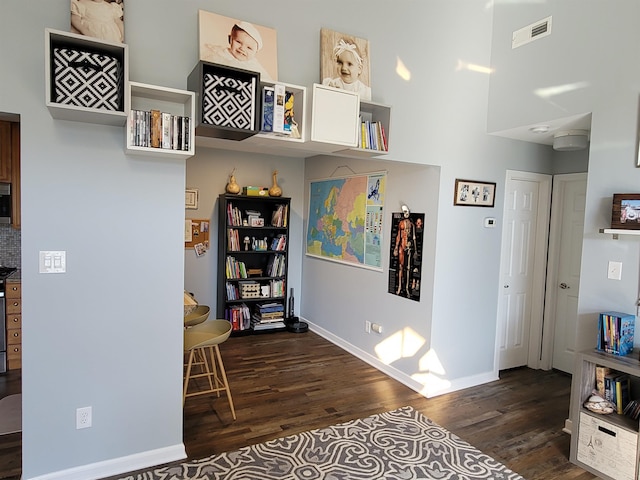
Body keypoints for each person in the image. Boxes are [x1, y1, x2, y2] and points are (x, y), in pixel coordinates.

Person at [202, 21, 273, 81]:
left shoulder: (254, 66)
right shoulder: (219, 54)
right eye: (238, 42)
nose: (242, 49)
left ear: (255, 52)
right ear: (230, 39)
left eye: (249, 48)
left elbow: (266, 81)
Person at [393, 208, 417, 297]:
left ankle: (406, 288)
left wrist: (415, 250)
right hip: (402, 246)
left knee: (408, 268)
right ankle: (399, 286)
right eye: (405, 212)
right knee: (400, 267)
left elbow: (414, 237)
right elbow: (398, 236)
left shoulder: (411, 224)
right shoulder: (401, 224)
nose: (406, 214)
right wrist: (396, 247)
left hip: (408, 247)